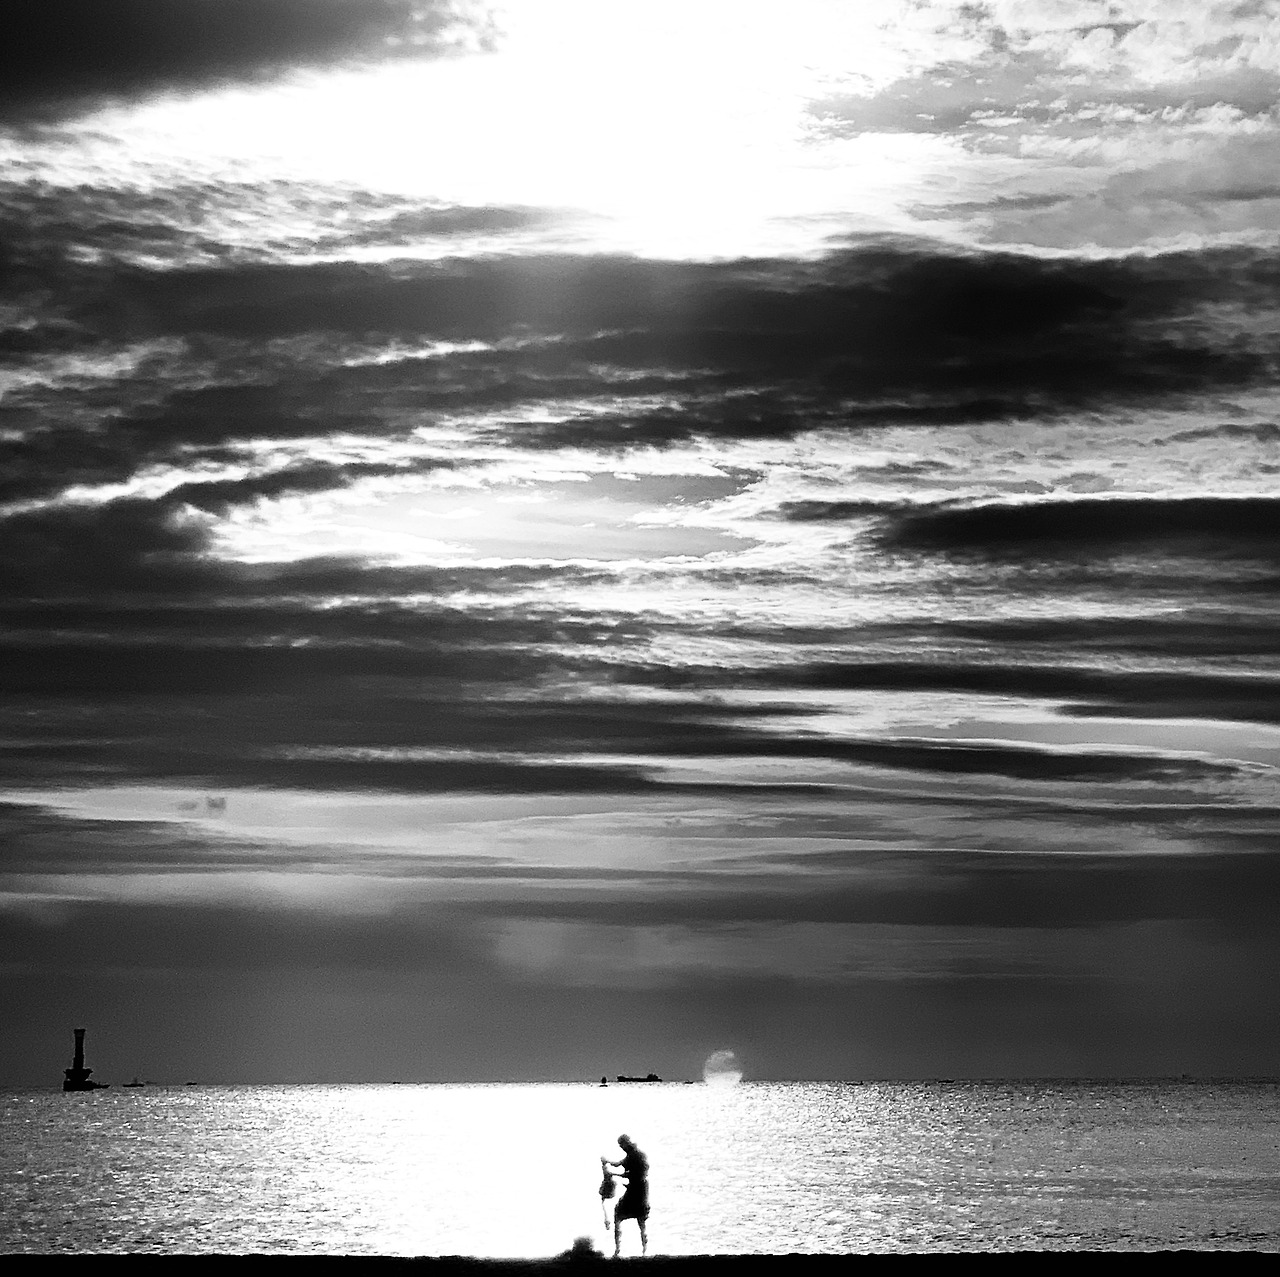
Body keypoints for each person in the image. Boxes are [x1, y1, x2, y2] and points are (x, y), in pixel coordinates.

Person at [604, 1133, 649, 1257]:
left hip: (637, 1190)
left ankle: (620, 1250)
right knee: (640, 1219)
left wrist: (614, 1174)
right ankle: (642, 1250)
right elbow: (619, 1164)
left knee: (622, 1214)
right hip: (639, 1189)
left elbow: (632, 1174)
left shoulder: (635, 1156)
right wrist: (608, 1162)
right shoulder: (633, 1154)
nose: (621, 1147)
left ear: (626, 1143)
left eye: (621, 1145)